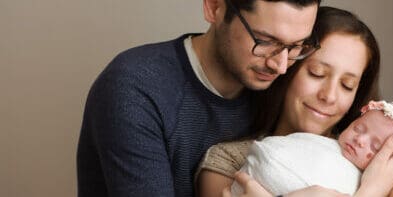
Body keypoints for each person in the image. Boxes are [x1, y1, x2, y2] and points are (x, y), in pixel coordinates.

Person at [76, 0, 321, 196]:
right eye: (265, 41)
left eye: (298, 46)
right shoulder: (134, 88)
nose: (280, 66)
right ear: (214, 7)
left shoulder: (283, 90)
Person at [196, 6, 393, 197]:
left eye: (347, 85)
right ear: (288, 64)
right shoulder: (229, 160)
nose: (329, 96)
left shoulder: (382, 165)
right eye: (317, 73)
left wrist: (375, 185)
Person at [229, 100, 393, 196]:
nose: (360, 140)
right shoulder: (319, 143)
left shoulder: (383, 181)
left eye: (375, 147)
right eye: (359, 129)